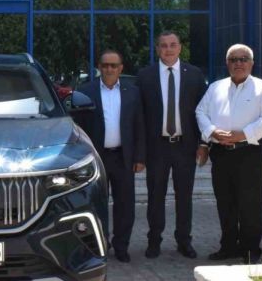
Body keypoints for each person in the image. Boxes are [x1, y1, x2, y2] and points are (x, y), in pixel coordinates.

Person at [195, 44, 262, 264]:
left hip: (250, 153)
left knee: (251, 205)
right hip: (221, 154)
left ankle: (250, 250)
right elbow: (200, 111)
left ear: (251, 63)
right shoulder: (215, 87)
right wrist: (211, 132)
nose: (238, 63)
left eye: (243, 59)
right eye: (233, 59)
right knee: (225, 203)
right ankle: (228, 247)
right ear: (227, 63)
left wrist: (243, 134)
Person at [136, 31, 208, 259]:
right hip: (157, 147)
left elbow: (203, 112)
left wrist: (203, 143)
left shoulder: (194, 75)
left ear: (180, 48)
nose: (168, 49)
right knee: (155, 196)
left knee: (184, 197)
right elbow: (139, 117)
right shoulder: (145, 76)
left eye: (172, 45)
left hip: (185, 146)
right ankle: (154, 240)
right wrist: (140, 153)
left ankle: (184, 241)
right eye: (164, 45)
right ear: (157, 49)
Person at [75, 49, 146, 263]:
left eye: (113, 65)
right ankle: (100, 244)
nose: (109, 69)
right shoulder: (85, 92)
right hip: (96, 158)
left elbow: (139, 125)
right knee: (97, 204)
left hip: (123, 157)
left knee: (125, 205)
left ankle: (121, 246)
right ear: (99, 67)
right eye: (105, 65)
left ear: (120, 68)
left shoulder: (132, 92)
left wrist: (140, 157)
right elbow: (78, 127)